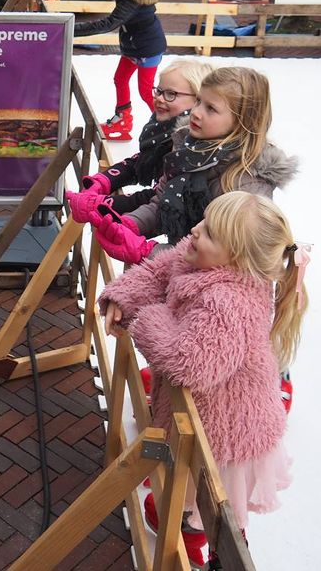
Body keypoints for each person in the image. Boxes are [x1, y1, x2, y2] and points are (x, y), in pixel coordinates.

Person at [100, 191, 308, 570]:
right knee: (191, 493)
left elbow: (188, 361)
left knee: (214, 505)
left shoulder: (231, 303)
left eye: (209, 231)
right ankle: (181, 520)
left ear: (238, 259)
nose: (195, 230)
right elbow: (160, 270)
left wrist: (145, 317)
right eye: (204, 221)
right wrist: (124, 296)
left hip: (224, 433)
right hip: (201, 414)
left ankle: (213, 556)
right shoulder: (203, 259)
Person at [91, 66, 298, 265]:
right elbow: (160, 203)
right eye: (198, 101)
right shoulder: (189, 151)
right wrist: (130, 224)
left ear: (242, 121)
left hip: (209, 286)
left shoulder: (246, 183)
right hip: (177, 264)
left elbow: (218, 255)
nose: (196, 112)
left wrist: (146, 251)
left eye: (211, 108)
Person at [67, 59, 213, 223]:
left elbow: (159, 198)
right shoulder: (164, 131)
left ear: (198, 101)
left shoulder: (188, 148)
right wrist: (105, 180)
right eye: (158, 90)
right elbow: (142, 161)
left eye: (171, 94)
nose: (159, 98)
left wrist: (104, 204)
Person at [73, 0, 167, 140]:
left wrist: (71, 28)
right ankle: (123, 121)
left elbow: (109, 23)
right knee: (121, 79)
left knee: (145, 90)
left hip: (147, 47)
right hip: (134, 45)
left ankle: (167, 126)